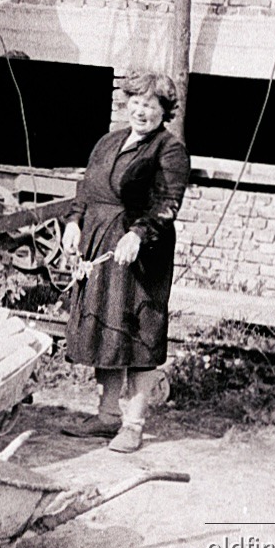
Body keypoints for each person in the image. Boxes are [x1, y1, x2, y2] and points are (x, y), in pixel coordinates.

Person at [60, 70, 190, 453]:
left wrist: (139, 233)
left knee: (137, 330)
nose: (140, 110)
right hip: (100, 242)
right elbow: (86, 188)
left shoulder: (169, 149)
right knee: (106, 328)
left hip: (140, 253)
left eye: (150, 105)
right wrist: (73, 223)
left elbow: (167, 203)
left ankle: (133, 425)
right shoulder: (109, 141)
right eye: (135, 102)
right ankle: (105, 417)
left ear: (164, 111)